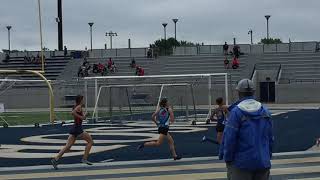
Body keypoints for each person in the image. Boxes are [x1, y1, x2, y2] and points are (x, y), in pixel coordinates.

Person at [219, 79, 273, 180]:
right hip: (262, 162)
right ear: (253, 92)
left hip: (241, 164)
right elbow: (270, 138)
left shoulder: (236, 113)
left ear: (239, 93)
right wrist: (267, 156)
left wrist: (227, 158)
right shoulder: (265, 111)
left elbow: (230, 139)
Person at [51, 95, 94, 170]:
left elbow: (80, 117)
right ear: (80, 100)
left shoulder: (76, 106)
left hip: (74, 128)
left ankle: (55, 159)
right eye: (83, 100)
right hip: (78, 129)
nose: (84, 101)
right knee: (90, 141)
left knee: (68, 146)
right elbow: (73, 113)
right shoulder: (79, 107)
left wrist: (85, 115)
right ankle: (84, 158)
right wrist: (82, 117)